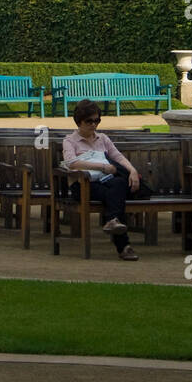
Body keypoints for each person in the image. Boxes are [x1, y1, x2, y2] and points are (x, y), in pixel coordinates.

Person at [61, 99, 142, 261]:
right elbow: (71, 163)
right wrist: (102, 167)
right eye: (89, 121)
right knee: (116, 193)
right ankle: (122, 244)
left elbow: (117, 156)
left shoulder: (103, 138)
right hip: (83, 185)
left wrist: (132, 170)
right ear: (79, 121)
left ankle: (114, 223)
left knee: (118, 185)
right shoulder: (70, 141)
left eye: (97, 120)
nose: (93, 124)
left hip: (106, 183)